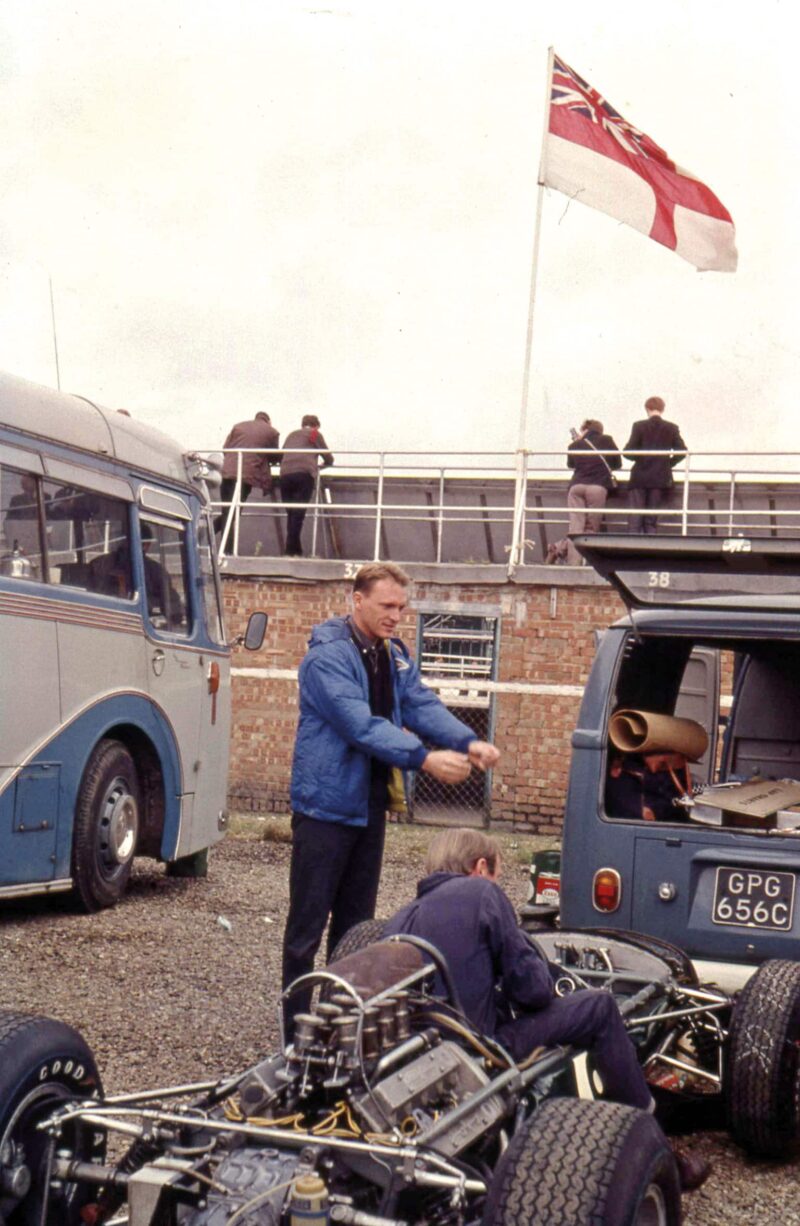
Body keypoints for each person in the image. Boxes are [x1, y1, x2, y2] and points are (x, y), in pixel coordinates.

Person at [383, 828, 711, 1192]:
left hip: (418, 1059)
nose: (497, 884)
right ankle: (663, 1153)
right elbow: (534, 991)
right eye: (497, 876)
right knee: (599, 1007)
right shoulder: (482, 893)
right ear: (479, 868)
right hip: (481, 1049)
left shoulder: (398, 920)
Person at [281, 563, 501, 1032]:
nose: (396, 615)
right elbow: (359, 725)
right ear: (356, 599)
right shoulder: (327, 659)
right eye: (386, 605)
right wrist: (424, 759)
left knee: (356, 929)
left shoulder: (391, 654)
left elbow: (421, 703)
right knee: (305, 933)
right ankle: (295, 1040)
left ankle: (337, 1032)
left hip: (367, 808)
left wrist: (466, 742)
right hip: (324, 810)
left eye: (401, 607)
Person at [623, 397, 687, 534]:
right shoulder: (672, 427)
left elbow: (627, 452)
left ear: (647, 409)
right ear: (662, 409)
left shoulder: (638, 426)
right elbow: (682, 451)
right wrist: (668, 463)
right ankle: (649, 549)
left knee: (635, 518)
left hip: (639, 477)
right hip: (660, 477)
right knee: (651, 519)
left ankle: (631, 550)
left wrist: (640, 458)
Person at [565, 419, 622, 564]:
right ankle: (588, 562)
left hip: (576, 487)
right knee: (591, 527)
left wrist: (579, 443)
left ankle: (573, 564)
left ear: (584, 430)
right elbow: (618, 464)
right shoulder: (607, 440)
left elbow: (571, 464)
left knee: (575, 527)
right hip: (597, 487)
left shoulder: (575, 445)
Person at [215, 412, 281, 534]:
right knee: (232, 513)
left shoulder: (238, 426)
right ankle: (222, 544)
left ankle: (221, 544)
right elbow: (274, 456)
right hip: (246, 475)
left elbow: (225, 448)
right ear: (268, 421)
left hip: (227, 473)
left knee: (228, 512)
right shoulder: (272, 431)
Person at [279, 415, 333, 557]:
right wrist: (319, 467)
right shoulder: (315, 434)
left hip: (285, 474)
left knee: (291, 513)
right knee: (298, 513)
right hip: (303, 474)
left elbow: (281, 454)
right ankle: (290, 551)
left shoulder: (292, 434)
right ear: (316, 425)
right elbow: (329, 458)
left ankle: (295, 550)